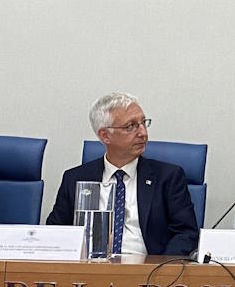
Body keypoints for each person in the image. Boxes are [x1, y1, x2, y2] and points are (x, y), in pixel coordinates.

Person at [48, 92, 199, 257]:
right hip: (89, 268)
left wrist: (160, 268)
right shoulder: (75, 178)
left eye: (143, 123)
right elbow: (55, 233)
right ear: (105, 135)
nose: (143, 133)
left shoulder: (168, 177)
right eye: (130, 126)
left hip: (147, 268)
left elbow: (186, 234)